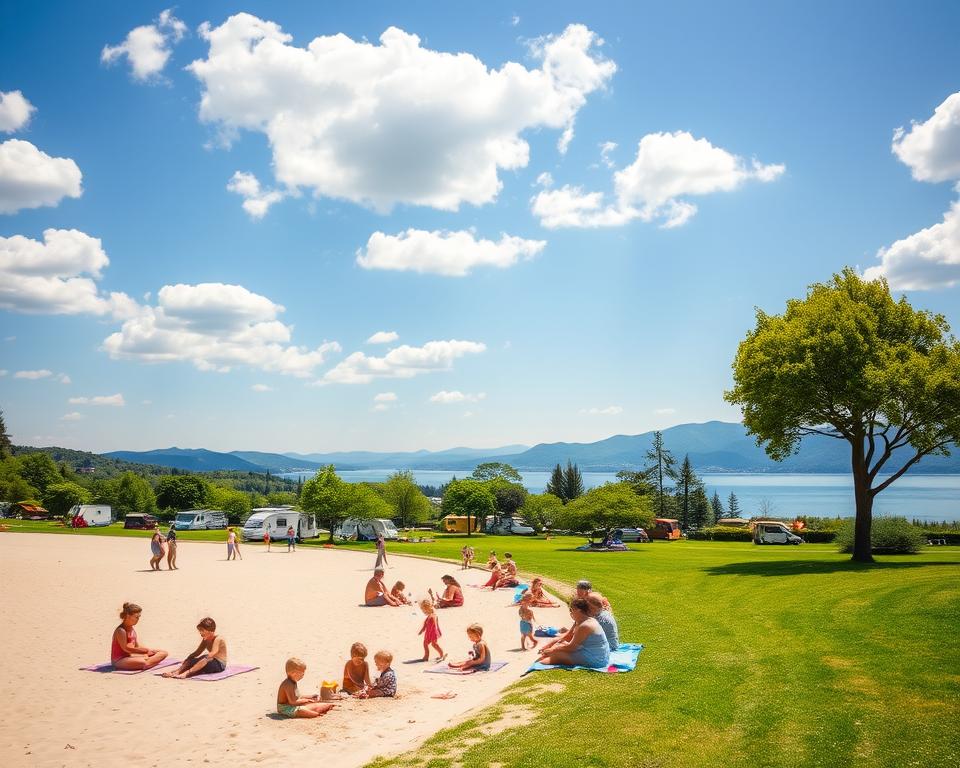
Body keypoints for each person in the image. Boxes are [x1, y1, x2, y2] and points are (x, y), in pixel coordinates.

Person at [537, 598, 610, 668]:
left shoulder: (586, 625)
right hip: (592, 652)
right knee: (559, 645)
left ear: (577, 610)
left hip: (596, 659)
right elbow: (569, 635)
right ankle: (548, 655)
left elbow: (572, 647)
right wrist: (550, 645)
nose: (570, 613)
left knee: (553, 656)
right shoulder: (580, 620)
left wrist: (553, 650)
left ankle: (539, 664)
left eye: (571, 610)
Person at [163, 617, 228, 678]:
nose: (200, 633)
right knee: (192, 659)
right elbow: (197, 652)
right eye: (200, 630)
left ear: (210, 631)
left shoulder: (218, 639)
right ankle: (177, 671)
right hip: (211, 660)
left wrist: (201, 659)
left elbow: (214, 652)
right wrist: (188, 659)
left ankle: (186, 673)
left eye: (202, 630)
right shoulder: (205, 640)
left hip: (220, 664)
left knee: (205, 658)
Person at [110, 602, 169, 671]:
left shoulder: (131, 629)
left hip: (130, 656)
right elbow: (126, 649)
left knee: (163, 653)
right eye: (136, 617)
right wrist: (144, 652)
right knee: (143, 662)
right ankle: (149, 663)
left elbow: (136, 645)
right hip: (119, 660)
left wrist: (147, 651)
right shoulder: (121, 631)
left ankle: (149, 662)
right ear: (128, 616)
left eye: (139, 617)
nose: (138, 619)